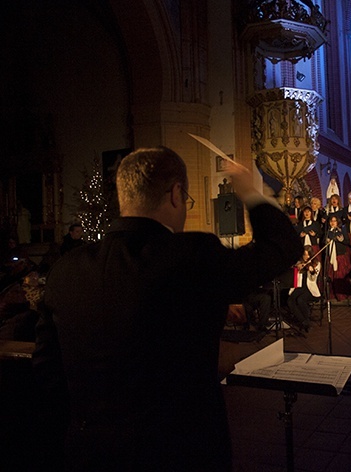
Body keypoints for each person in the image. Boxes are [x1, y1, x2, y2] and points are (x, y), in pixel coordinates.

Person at [32, 147, 302, 470]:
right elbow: (283, 246)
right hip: (180, 451)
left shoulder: (65, 271)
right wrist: (248, 190)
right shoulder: (192, 256)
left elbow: (48, 374)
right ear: (176, 194)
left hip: (90, 455)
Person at [287, 246, 321, 333]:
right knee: (290, 301)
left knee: (301, 300)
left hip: (310, 289)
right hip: (299, 287)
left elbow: (313, 279)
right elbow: (292, 270)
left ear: (311, 255)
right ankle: (304, 321)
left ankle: (306, 323)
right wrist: (296, 267)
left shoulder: (316, 263)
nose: (306, 257)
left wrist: (312, 270)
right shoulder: (299, 262)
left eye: (308, 255)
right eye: (304, 255)